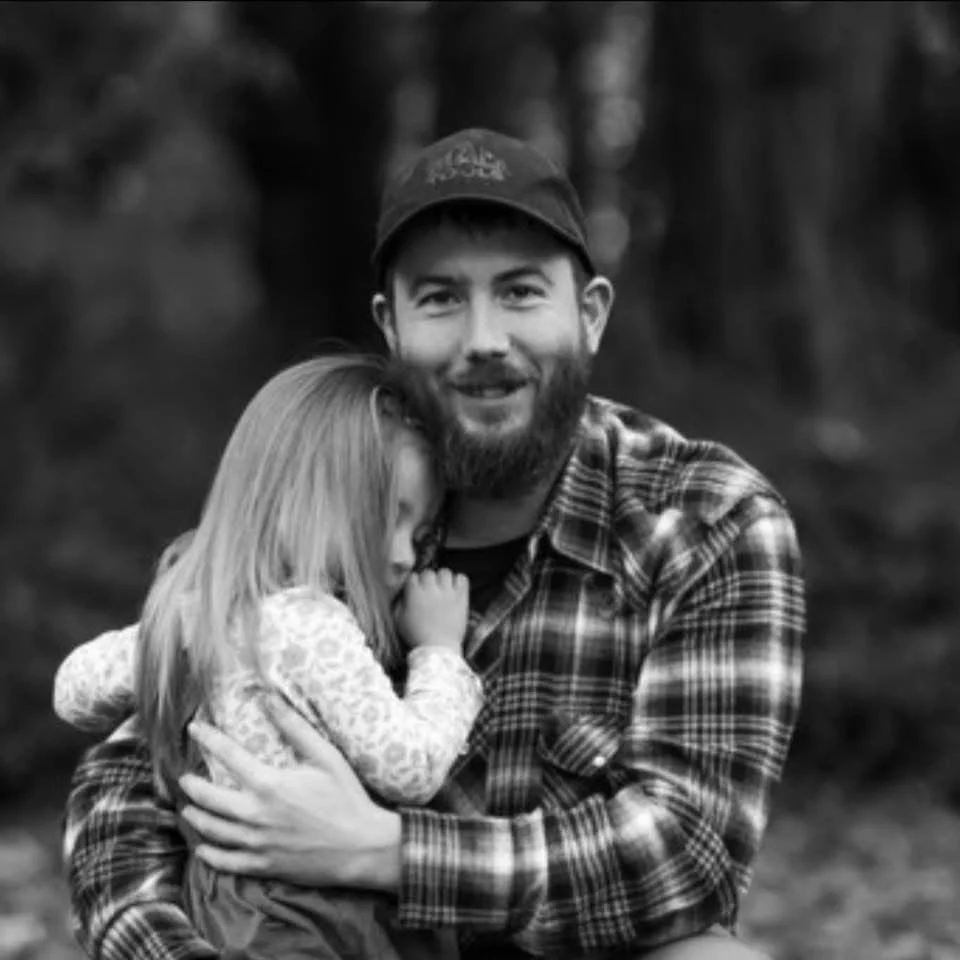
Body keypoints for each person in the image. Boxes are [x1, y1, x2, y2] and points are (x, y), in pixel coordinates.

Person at [62, 128, 805, 960]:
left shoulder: (706, 521)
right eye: (442, 297)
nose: (483, 337)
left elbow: (687, 853)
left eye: (521, 292)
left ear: (590, 314)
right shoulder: (325, 520)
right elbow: (120, 802)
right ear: (391, 325)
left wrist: (381, 850)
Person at [55, 354, 482, 960]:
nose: (403, 556)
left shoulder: (204, 614)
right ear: (296, 497)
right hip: (316, 911)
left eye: (419, 534)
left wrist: (166, 635)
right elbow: (409, 768)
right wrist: (441, 653)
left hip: (225, 903)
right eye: (384, 517)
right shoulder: (314, 626)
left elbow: (72, 689)